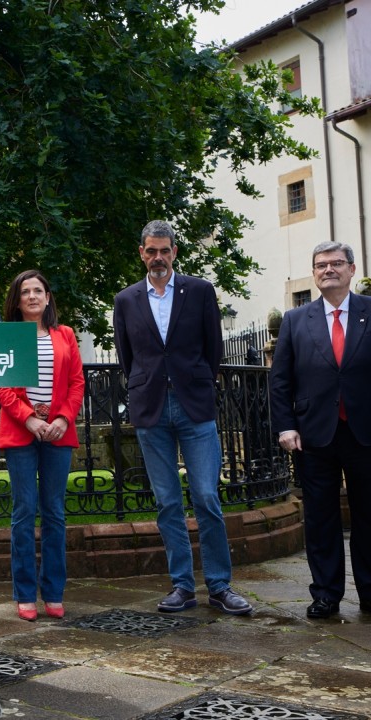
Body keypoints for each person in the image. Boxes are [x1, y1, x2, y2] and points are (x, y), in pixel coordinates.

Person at [270, 242, 371, 620]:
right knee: (320, 519)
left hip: (370, 433)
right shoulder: (295, 320)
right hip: (313, 435)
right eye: (321, 265)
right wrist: (285, 426)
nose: (328, 270)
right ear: (314, 273)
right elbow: (280, 381)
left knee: (370, 516)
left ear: (352, 269)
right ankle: (325, 595)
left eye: (336, 263)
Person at [112, 220, 252, 616]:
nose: (158, 257)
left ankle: (220, 586)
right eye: (151, 251)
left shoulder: (200, 291)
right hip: (150, 408)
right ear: (142, 253)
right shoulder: (126, 300)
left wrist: (197, 381)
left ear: (174, 252)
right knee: (167, 502)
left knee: (206, 496)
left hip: (195, 406)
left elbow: (213, 348)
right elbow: (127, 357)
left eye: (164, 250)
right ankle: (182, 586)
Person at [0, 270, 85, 622]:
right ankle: (25, 593)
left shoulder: (66, 335)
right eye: (25, 291)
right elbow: (1, 385)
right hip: (21, 431)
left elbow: (76, 383)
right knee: (23, 512)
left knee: (54, 513)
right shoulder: (8, 336)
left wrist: (62, 419)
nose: (32, 296)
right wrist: (30, 419)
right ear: (17, 301)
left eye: (38, 290)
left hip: (58, 432)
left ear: (48, 298)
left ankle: (54, 591)